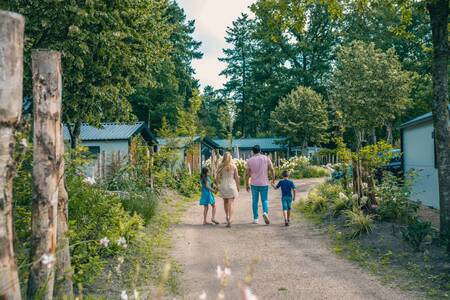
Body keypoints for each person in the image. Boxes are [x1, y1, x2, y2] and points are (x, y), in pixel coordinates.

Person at [245, 145, 275, 225]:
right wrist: (273, 179)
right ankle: (265, 213)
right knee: (264, 200)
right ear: (260, 150)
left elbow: (247, 174)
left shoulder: (249, 160)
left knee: (255, 201)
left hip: (254, 183)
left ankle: (256, 219)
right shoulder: (266, 158)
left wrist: (247, 184)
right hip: (264, 183)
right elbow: (272, 169)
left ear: (253, 151)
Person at [216, 152, 240, 228]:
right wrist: (238, 186)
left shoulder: (221, 166)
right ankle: (230, 218)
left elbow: (217, 177)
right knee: (231, 202)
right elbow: (236, 177)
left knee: (225, 202)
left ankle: (227, 216)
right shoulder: (234, 166)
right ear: (230, 158)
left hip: (223, 185)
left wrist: (217, 185)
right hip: (231, 185)